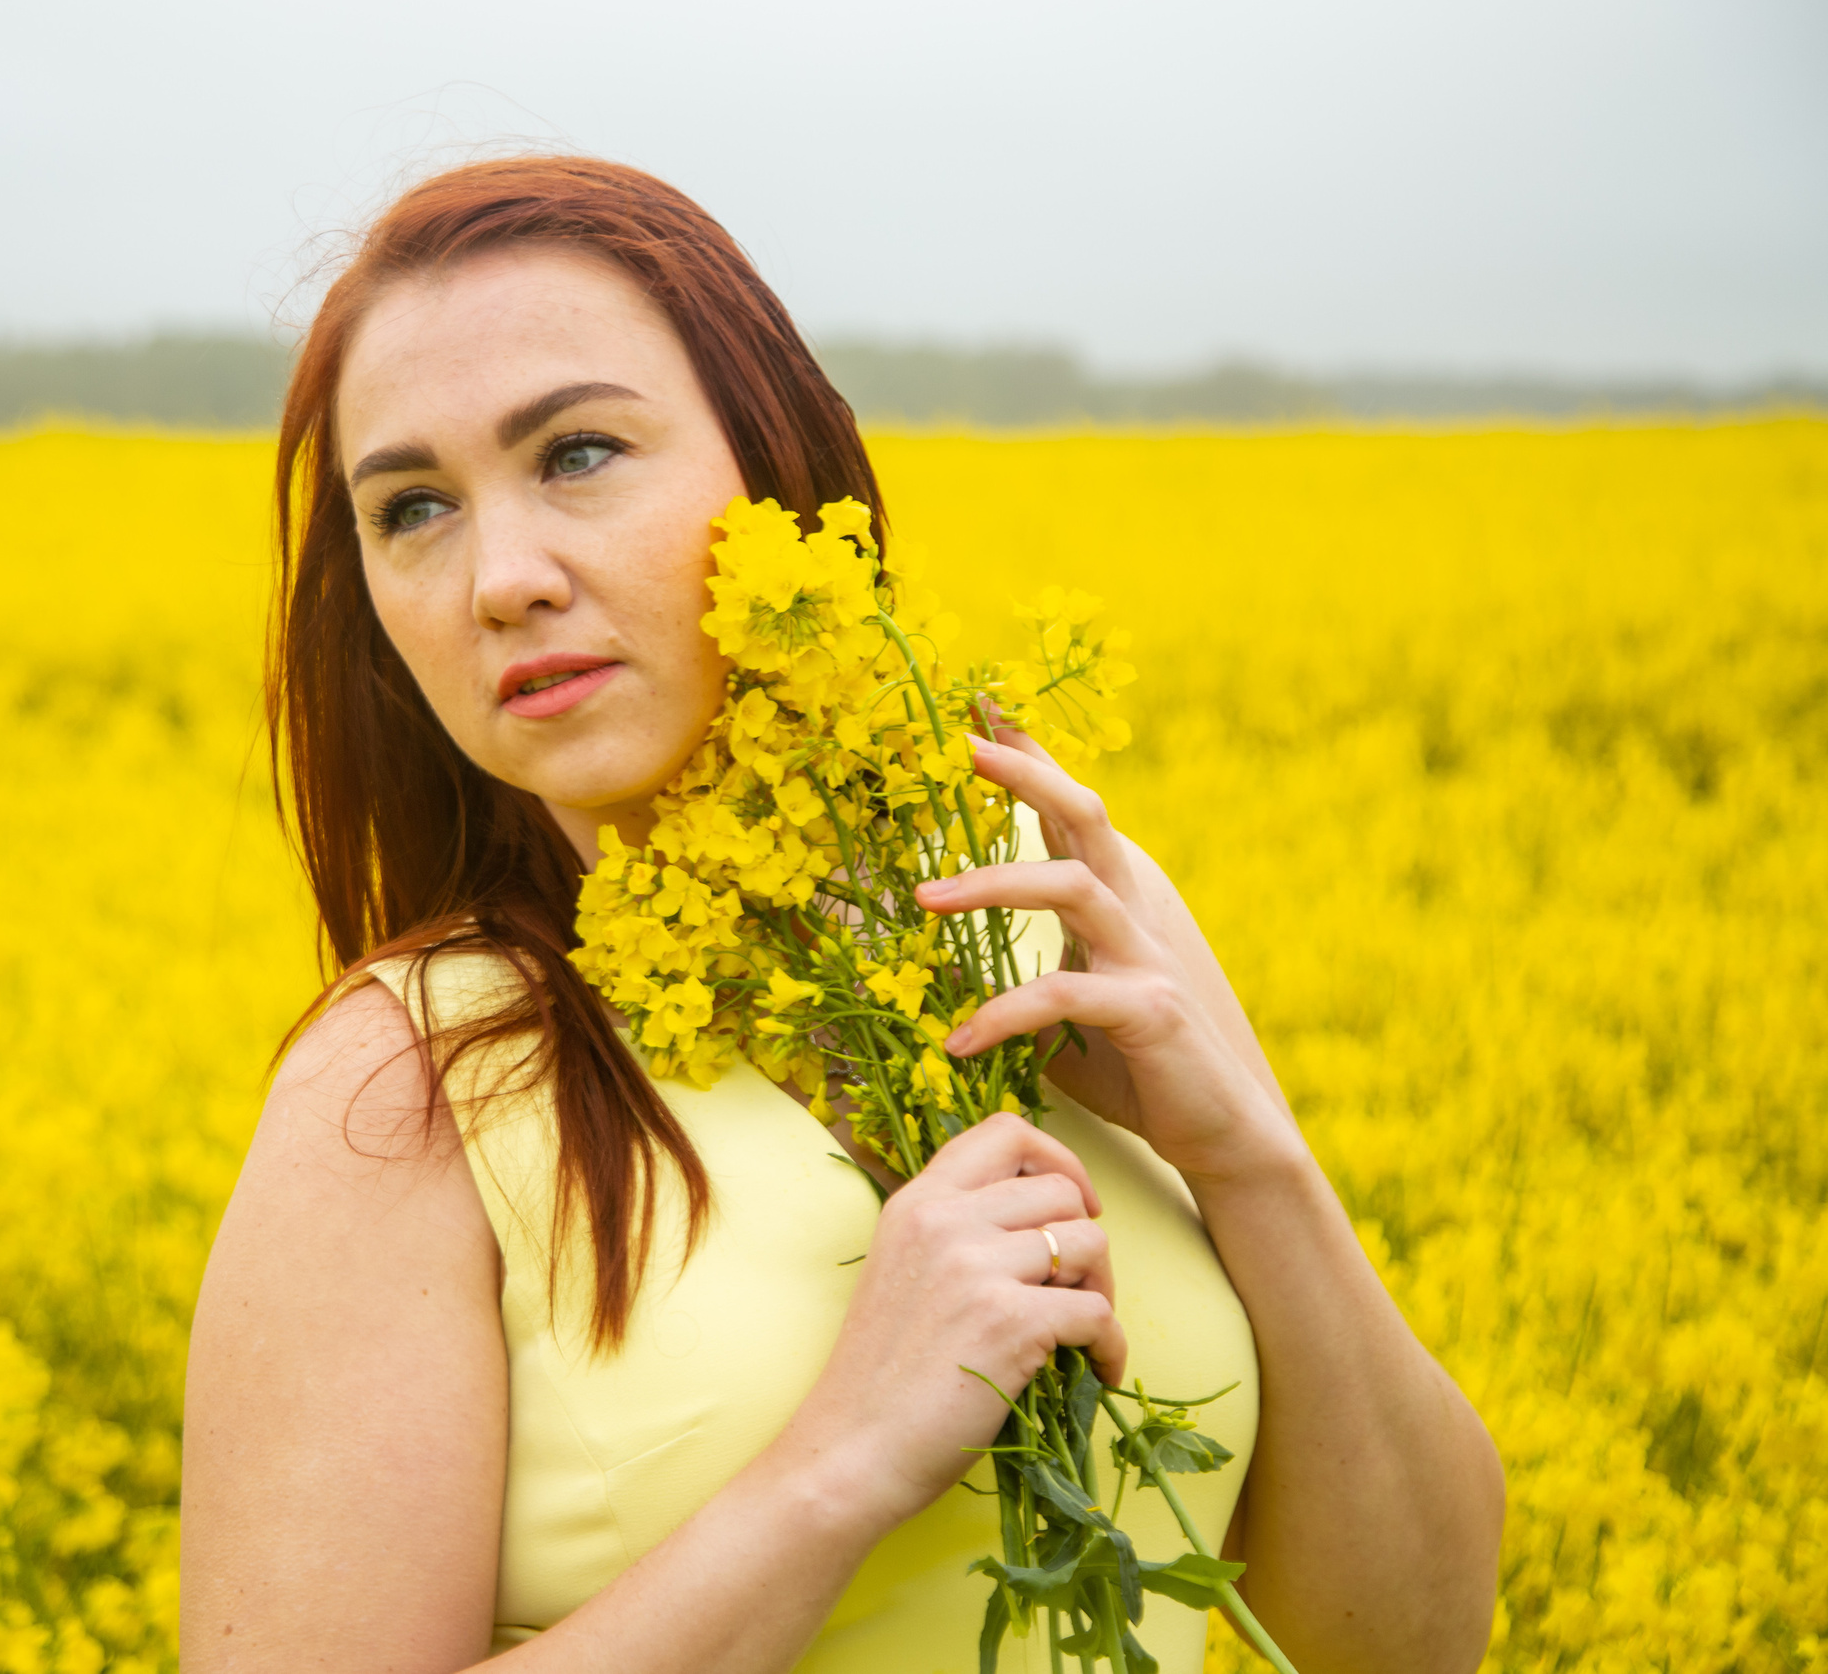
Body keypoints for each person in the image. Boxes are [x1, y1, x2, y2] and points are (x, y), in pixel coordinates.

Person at [181, 155, 1502, 1674]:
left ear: (778, 469)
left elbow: (1412, 1646)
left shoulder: (1038, 892)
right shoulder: (408, 1082)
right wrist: (847, 1461)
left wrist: (1251, 1166)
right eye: (411, 507)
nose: (502, 579)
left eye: (580, 453)